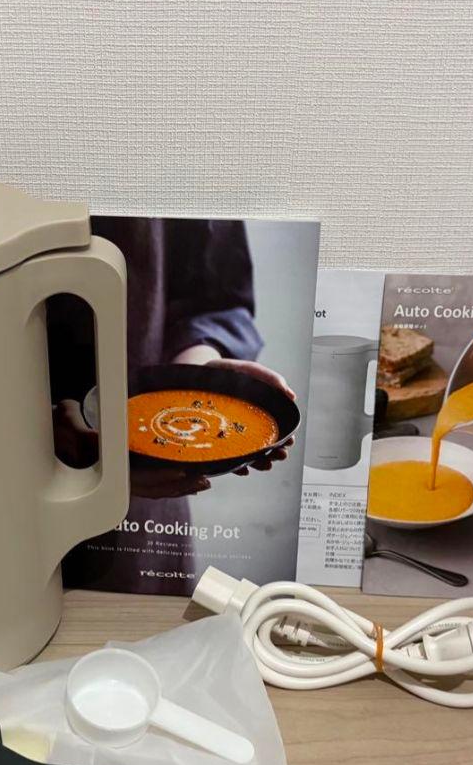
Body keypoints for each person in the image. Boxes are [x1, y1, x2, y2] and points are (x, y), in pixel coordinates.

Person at [48, 216, 294, 593]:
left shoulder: (192, 179)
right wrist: (41, 428)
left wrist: (192, 378)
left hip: (149, 493)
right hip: (1, 487)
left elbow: (212, 299)